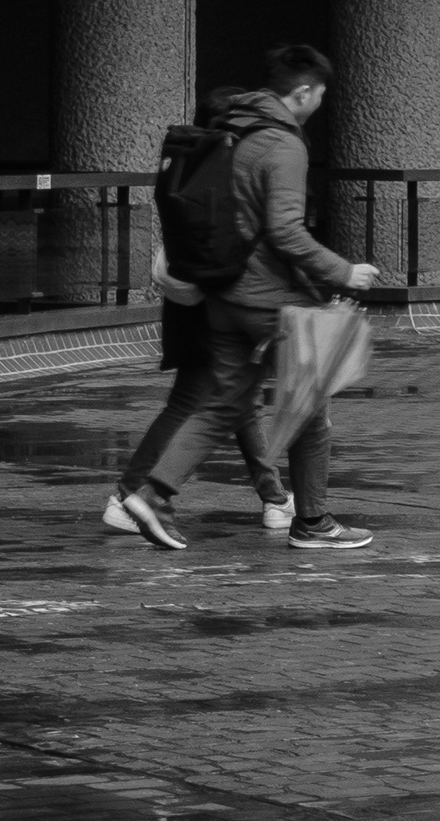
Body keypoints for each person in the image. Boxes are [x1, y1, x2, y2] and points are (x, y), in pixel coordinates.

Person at [117, 42, 377, 555]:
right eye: (321, 93)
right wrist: (344, 272)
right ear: (303, 91)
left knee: (223, 404)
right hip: (269, 301)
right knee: (311, 405)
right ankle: (313, 522)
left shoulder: (231, 129)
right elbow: (284, 231)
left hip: (223, 294)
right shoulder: (283, 144)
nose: (320, 102)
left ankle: (153, 494)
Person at [101, 235, 293, 535]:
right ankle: (130, 495)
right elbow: (279, 227)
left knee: (241, 396)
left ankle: (275, 498)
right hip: (215, 293)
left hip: (201, 287)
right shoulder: (226, 191)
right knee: (191, 401)